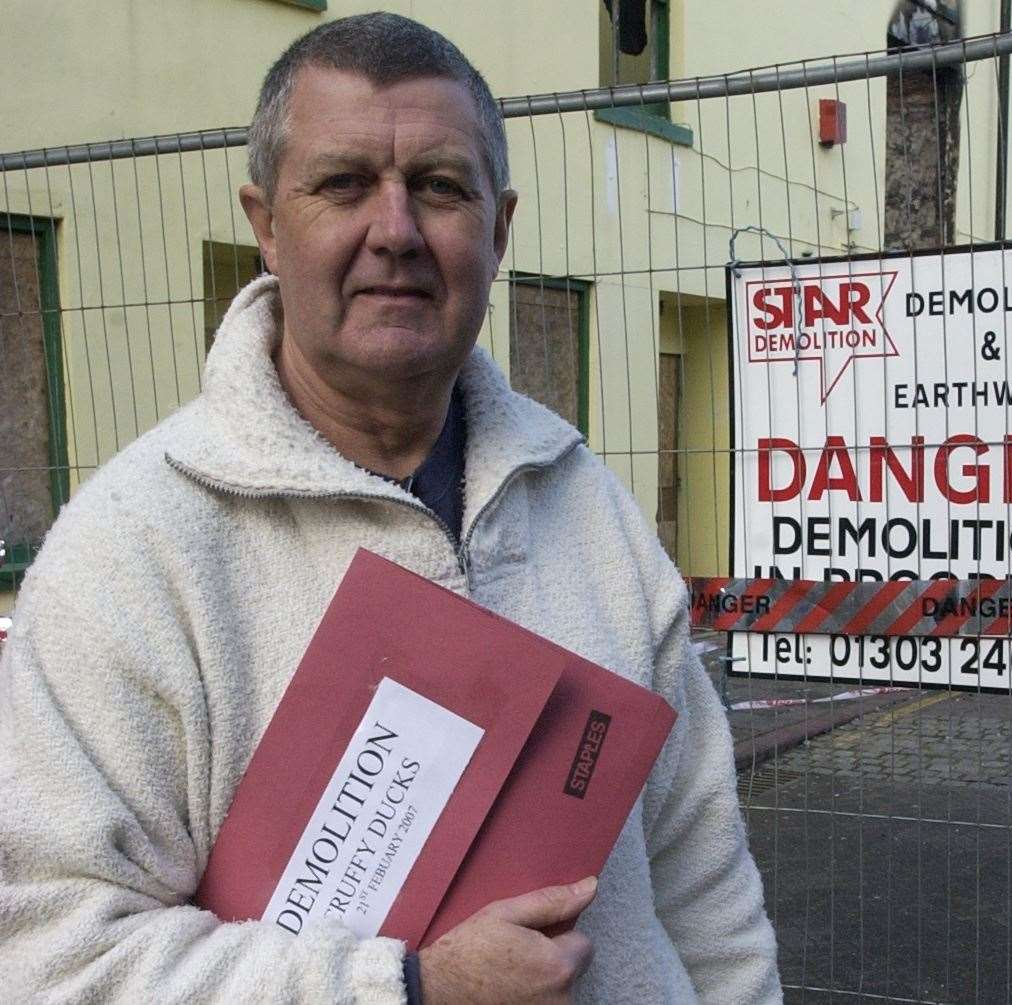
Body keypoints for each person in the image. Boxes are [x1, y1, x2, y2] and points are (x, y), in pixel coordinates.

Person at [0, 14, 780, 1004]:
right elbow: (50, 963)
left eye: (440, 188)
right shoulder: (133, 555)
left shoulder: (592, 515)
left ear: (499, 229)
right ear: (265, 224)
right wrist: (403, 988)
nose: (397, 231)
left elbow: (707, 900)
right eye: (343, 184)